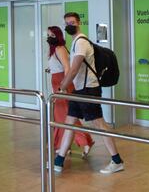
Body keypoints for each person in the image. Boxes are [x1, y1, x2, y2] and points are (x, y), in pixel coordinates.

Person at [54, 12, 124, 174]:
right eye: (67, 23)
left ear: (79, 23)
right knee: (69, 123)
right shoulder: (75, 42)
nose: (69, 25)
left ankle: (117, 161)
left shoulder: (81, 43)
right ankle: (58, 162)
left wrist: (62, 87)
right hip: (80, 90)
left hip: (89, 89)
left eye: (72, 22)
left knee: (99, 124)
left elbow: (74, 69)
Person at [46, 26, 94, 157]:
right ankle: (64, 145)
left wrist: (63, 87)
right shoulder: (54, 50)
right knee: (61, 116)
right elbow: (59, 66)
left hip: (63, 84)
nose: (49, 37)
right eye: (48, 35)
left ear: (58, 36)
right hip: (57, 82)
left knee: (67, 116)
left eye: (52, 35)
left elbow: (67, 68)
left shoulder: (60, 49)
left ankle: (84, 141)